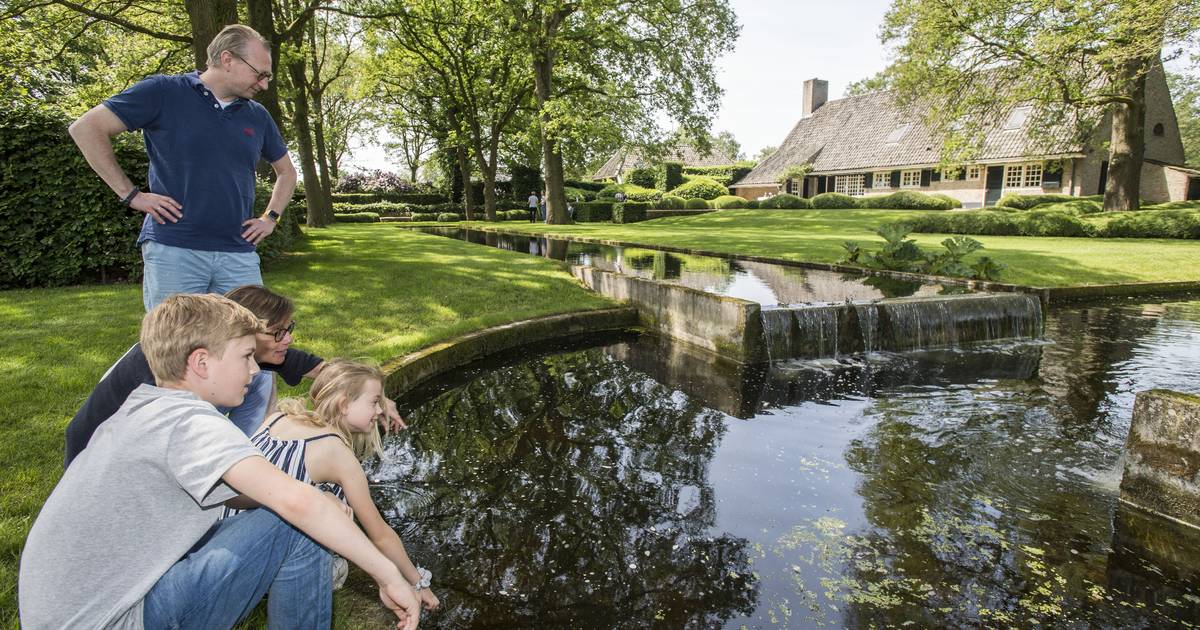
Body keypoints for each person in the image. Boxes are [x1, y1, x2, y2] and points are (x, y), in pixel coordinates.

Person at [19, 294, 420, 629]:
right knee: (299, 523)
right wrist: (388, 576)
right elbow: (298, 505)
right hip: (117, 621)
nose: (255, 369)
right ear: (201, 363)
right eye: (246, 356)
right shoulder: (191, 423)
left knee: (305, 509)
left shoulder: (144, 407)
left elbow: (234, 495)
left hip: (71, 615)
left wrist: (315, 499)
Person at [68, 24, 298, 312]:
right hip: (174, 249)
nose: (264, 85)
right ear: (227, 59)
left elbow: (287, 172)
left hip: (238, 253)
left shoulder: (258, 116)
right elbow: (86, 128)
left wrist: (270, 217)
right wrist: (131, 195)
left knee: (252, 335)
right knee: (174, 337)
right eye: (260, 74)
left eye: (268, 77)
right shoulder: (163, 91)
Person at [63, 284, 406, 467]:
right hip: (99, 457)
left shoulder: (228, 348)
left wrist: (379, 398)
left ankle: (250, 453)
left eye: (289, 329)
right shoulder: (172, 374)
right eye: (278, 332)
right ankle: (245, 461)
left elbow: (329, 372)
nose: (288, 340)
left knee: (260, 378)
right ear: (247, 329)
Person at [226, 360, 441, 611]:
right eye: (374, 402)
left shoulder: (277, 418)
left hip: (229, 543)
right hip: (262, 576)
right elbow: (380, 535)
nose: (379, 411)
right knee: (339, 561)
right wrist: (418, 582)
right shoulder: (338, 455)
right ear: (343, 404)